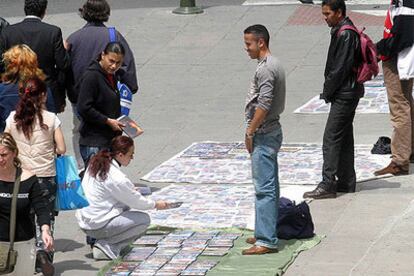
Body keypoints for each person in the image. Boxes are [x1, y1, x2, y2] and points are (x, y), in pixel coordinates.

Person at [65, 0, 138, 171]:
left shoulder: (74, 38)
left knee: (80, 129)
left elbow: (64, 68)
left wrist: (67, 95)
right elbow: (128, 66)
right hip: (108, 100)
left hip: (79, 97)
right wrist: (130, 87)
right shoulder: (114, 36)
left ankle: (82, 167)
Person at [4, 77, 66, 276]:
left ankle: (28, 256)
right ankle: (44, 252)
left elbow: (5, 141)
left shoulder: (13, 118)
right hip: (46, 176)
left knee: (25, 215)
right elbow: (62, 148)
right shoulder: (51, 119)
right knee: (45, 216)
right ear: (43, 96)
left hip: (22, 177)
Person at [304, 0, 363, 199]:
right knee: (344, 137)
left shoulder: (346, 33)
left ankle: (328, 182)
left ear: (339, 12)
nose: (325, 18)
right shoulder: (341, 30)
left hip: (345, 93)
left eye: (328, 14)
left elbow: (340, 68)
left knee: (331, 138)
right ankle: (346, 180)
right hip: (346, 92)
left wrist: (327, 91)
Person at [76, 135, 169, 260]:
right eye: (130, 155)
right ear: (120, 155)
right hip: (97, 224)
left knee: (127, 209)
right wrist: (156, 204)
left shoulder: (97, 162)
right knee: (143, 220)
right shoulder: (115, 177)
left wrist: (129, 191)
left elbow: (110, 190)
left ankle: (107, 243)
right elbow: (137, 202)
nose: (132, 158)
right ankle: (107, 245)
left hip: (86, 220)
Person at [242, 24, 286, 255]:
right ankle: (264, 230)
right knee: (269, 185)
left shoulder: (266, 69)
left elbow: (264, 104)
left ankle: (267, 239)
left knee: (264, 188)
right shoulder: (271, 64)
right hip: (270, 130)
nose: (246, 49)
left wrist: (250, 131)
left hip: (265, 133)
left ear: (261, 42)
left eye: (249, 44)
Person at [0, 0, 70, 112]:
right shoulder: (53, 32)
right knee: (45, 125)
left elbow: (3, 63)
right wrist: (65, 50)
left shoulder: (8, 32)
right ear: (44, 11)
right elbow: (63, 64)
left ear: (25, 9)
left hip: (15, 90)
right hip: (45, 91)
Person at [0, 132, 53, 276]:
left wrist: (45, 230)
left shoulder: (28, 179)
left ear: (14, 153)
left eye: (4, 155)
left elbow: (41, 208)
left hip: (24, 243)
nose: (0, 159)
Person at [374, 0, 414, 176]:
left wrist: (379, 49)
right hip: (402, 57)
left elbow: (402, 36)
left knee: (399, 106)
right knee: (406, 102)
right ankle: (409, 149)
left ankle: (400, 160)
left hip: (397, 58)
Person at [77, 42, 127, 166]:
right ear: (103, 55)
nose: (114, 66)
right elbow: (84, 108)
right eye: (111, 61)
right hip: (94, 141)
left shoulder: (110, 76)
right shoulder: (92, 76)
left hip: (107, 139)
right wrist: (107, 121)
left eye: (118, 63)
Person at [0, 44, 56, 132]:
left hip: (10, 137)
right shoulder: (42, 87)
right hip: (38, 136)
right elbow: (51, 114)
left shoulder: (2, 89)